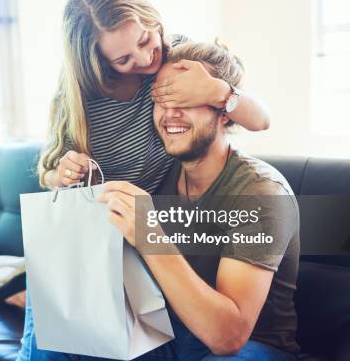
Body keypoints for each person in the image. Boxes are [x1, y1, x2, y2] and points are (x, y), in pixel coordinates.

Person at [16, 0, 273, 360]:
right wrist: (61, 173)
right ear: (98, 63)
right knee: (49, 335)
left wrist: (218, 93)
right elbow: (49, 169)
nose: (144, 61)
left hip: (145, 239)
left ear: (151, 18)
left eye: (143, 41)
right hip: (92, 237)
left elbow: (261, 120)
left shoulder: (176, 58)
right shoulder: (76, 97)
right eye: (123, 60)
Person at [96, 41, 300, 360]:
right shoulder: (158, 172)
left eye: (186, 99)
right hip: (169, 332)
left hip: (248, 346)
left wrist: (150, 236)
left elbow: (227, 337)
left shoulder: (260, 191)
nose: (171, 113)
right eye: (162, 99)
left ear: (225, 114)